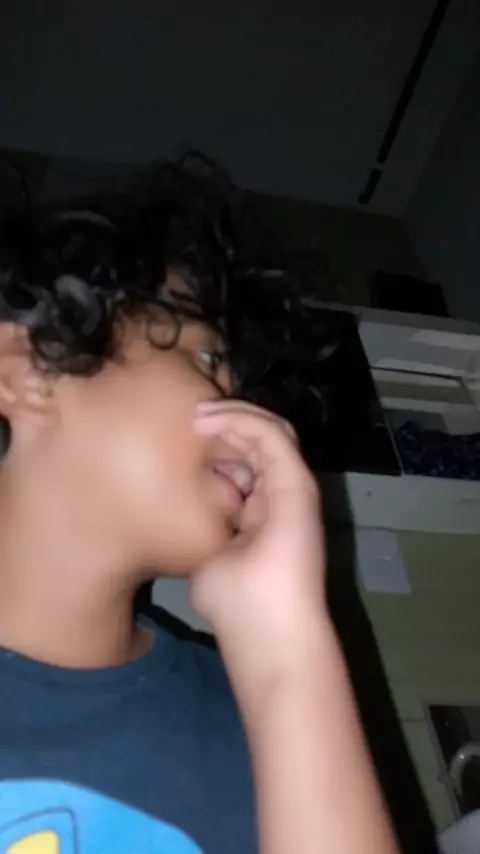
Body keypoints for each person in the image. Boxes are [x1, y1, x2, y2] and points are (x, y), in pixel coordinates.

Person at [0, 156, 399, 854]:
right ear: (28, 374)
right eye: (207, 361)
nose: (252, 422)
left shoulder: (275, 709)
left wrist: (284, 639)